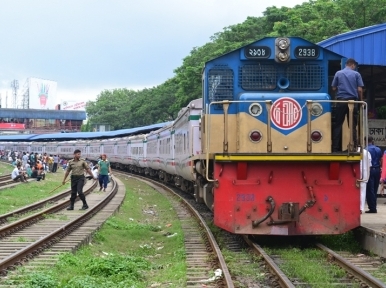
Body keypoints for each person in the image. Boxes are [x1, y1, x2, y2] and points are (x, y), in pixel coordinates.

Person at [331, 58, 364, 152]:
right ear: (353, 65)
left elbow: (333, 88)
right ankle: (353, 147)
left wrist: (340, 88)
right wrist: (361, 101)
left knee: (338, 124)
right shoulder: (357, 74)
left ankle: (335, 148)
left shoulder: (338, 73)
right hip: (353, 102)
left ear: (347, 64)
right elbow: (360, 90)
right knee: (352, 125)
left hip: (341, 101)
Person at [365, 136, 382, 213]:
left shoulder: (365, 150)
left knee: (370, 189)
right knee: (375, 189)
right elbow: (381, 160)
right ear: (372, 140)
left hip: (370, 170)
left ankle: (372, 208)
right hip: (377, 170)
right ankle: (374, 206)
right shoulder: (378, 149)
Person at [359, 146, 372, 214]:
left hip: (355, 174)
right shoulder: (367, 152)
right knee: (362, 192)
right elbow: (370, 165)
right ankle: (361, 208)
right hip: (364, 175)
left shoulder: (353, 151)